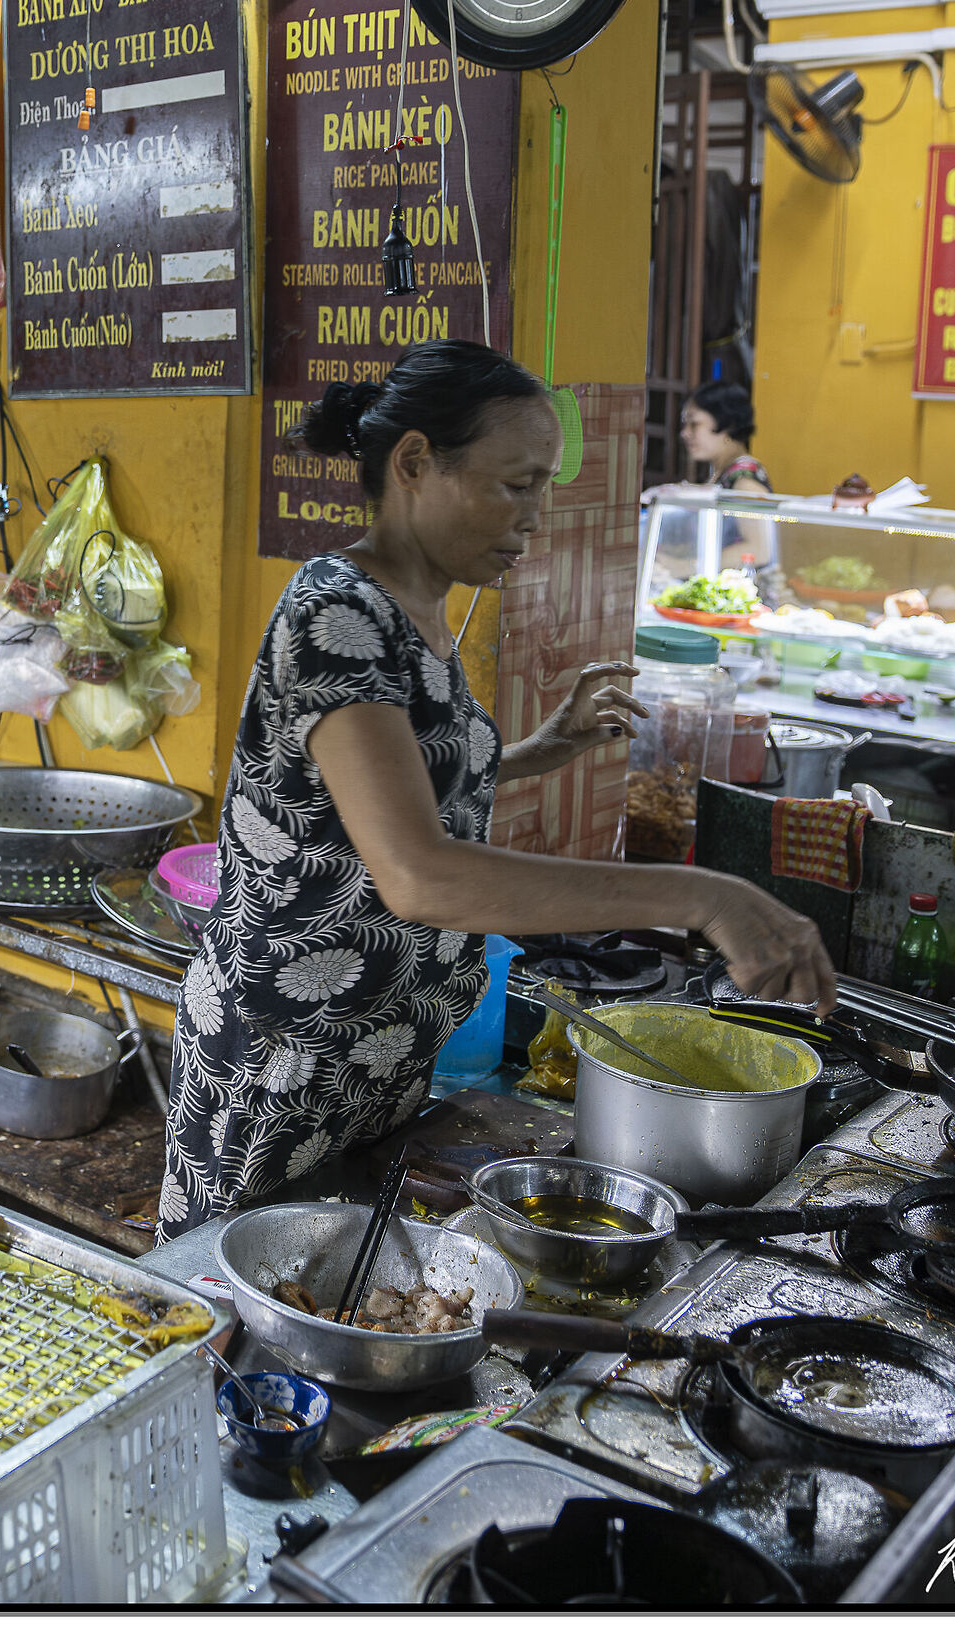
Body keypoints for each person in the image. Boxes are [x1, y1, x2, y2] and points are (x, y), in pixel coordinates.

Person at [158, 341, 835, 1240]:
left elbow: (387, 790)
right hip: (288, 1065)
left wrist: (538, 749)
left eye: (543, 488)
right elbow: (416, 872)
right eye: (515, 485)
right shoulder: (335, 612)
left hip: (383, 1057)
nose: (534, 517)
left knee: (338, 1308)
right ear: (413, 463)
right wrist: (705, 896)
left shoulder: (419, 612)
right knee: (236, 1316)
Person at [679, 381, 769, 490]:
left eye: (694, 424)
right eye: (685, 424)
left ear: (727, 426)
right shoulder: (723, 473)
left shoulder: (745, 483)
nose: (685, 433)